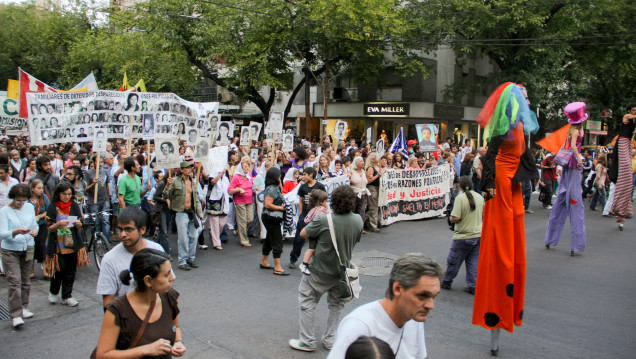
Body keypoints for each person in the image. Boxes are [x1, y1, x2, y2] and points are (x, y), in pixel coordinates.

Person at [473, 83, 539, 336]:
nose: (528, 101)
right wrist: (488, 183)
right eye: (524, 97)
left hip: (513, 182)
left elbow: (524, 156)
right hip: (500, 180)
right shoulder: (504, 125)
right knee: (501, 240)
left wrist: (534, 175)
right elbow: (490, 156)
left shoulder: (522, 126)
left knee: (515, 234)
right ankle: (498, 290)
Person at [289, 185, 363, 352]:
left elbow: (303, 234)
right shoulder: (358, 220)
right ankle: (330, 340)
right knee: (336, 305)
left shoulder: (323, 220)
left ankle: (307, 341)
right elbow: (356, 239)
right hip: (341, 272)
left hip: (319, 270)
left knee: (307, 301)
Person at [327, 254, 444, 358]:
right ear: (397, 288)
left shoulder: (414, 318)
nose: (430, 305)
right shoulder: (359, 325)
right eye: (422, 296)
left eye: (434, 296)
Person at [95, 249, 186, 358]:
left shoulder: (169, 296)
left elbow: (175, 326)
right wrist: (145, 350)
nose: (173, 278)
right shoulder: (117, 310)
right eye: (167, 275)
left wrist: (178, 342)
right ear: (148, 281)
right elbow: (102, 355)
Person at [97, 206, 165, 308]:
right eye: (120, 229)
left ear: (142, 229)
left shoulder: (156, 250)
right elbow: (108, 304)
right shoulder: (109, 260)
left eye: (128, 229)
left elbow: (166, 289)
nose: (123, 234)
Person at [545, 102, 588, 256]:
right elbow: (574, 147)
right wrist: (579, 157)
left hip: (571, 166)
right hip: (574, 164)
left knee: (565, 196)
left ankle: (551, 238)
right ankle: (573, 242)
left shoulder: (574, 130)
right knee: (574, 199)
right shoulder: (576, 131)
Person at [0, 184, 38, 328]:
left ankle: (24, 306)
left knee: (26, 280)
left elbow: (34, 224)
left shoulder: (29, 207)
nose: (21, 204)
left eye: (23, 201)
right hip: (10, 249)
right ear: (12, 198)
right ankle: (15, 314)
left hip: (28, 246)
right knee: (14, 281)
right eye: (18, 201)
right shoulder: (4, 211)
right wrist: (16, 231)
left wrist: (35, 231)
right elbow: (2, 233)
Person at [45, 182, 87, 307]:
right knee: (58, 269)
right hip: (57, 243)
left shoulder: (74, 206)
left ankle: (67, 296)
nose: (67, 196)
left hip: (71, 242)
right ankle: (53, 292)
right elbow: (49, 228)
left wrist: (79, 224)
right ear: (58, 194)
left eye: (69, 194)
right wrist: (58, 224)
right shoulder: (53, 207)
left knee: (70, 270)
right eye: (64, 194)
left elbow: (79, 221)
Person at [440, 176, 484, 294]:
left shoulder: (461, 199)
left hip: (463, 235)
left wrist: (450, 218)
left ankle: (447, 281)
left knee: (454, 260)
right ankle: (473, 285)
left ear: (460, 186)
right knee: (473, 261)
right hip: (477, 234)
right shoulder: (479, 197)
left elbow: (456, 217)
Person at [164, 161, 203, 271]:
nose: (189, 169)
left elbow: (196, 200)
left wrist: (200, 214)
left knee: (194, 236)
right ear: (181, 170)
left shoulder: (193, 182)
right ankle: (183, 261)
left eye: (190, 167)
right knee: (183, 238)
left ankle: (191, 258)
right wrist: (167, 185)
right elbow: (166, 195)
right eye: (186, 168)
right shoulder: (175, 181)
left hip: (192, 212)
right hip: (181, 213)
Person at [289, 167, 326, 268]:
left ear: (311, 175)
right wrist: (301, 213)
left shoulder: (320, 186)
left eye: (305, 174)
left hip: (317, 216)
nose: (303, 176)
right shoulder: (303, 187)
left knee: (317, 239)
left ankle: (316, 261)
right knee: (299, 238)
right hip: (305, 215)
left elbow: (324, 200)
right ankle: (293, 258)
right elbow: (300, 201)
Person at [609, 103, 636, 230]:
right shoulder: (626, 116)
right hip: (623, 143)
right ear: (629, 111)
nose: (635, 112)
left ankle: (621, 214)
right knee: (625, 167)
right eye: (634, 110)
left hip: (628, 144)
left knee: (628, 182)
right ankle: (615, 207)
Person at [259, 167, 289, 275]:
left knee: (269, 239)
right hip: (270, 217)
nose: (280, 177)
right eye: (279, 176)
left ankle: (264, 261)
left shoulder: (274, 187)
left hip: (269, 217)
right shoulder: (271, 189)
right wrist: (280, 208)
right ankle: (277, 267)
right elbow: (267, 204)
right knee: (277, 241)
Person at [297, 189, 329, 276]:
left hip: (312, 231)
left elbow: (307, 220)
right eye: (326, 201)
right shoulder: (321, 210)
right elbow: (321, 220)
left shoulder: (313, 209)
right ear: (322, 202)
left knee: (313, 248)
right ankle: (304, 263)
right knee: (312, 249)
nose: (327, 203)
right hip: (316, 233)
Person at [228, 156, 254, 247]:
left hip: (249, 200)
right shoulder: (236, 177)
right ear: (241, 168)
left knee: (250, 219)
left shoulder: (249, 176)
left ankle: (241, 230)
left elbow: (252, 185)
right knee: (242, 221)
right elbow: (230, 190)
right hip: (240, 201)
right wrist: (238, 189)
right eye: (245, 167)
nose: (247, 168)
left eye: (248, 166)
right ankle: (244, 240)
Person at [85, 155, 111, 243]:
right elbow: (85, 189)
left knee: (105, 221)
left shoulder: (105, 171)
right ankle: (95, 241)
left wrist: (108, 196)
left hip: (104, 200)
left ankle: (106, 241)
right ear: (93, 162)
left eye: (101, 162)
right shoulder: (88, 173)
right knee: (95, 223)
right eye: (98, 162)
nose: (100, 164)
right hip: (93, 201)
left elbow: (107, 185)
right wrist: (93, 183)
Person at [28, 179, 50, 277]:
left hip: (42, 225)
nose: (41, 190)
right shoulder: (27, 200)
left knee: (43, 246)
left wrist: (40, 216)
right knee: (31, 246)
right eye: (39, 188)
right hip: (30, 226)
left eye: (42, 188)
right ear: (32, 189)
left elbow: (48, 210)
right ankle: (31, 270)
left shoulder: (44, 198)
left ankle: (45, 269)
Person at [206, 167, 230, 251]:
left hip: (224, 203)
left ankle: (213, 234)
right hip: (214, 203)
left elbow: (228, 189)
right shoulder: (212, 176)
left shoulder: (226, 178)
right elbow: (213, 182)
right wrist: (220, 174)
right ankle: (216, 243)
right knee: (215, 224)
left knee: (222, 223)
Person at [349, 157, 369, 233]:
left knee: (362, 211)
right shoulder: (351, 172)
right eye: (361, 161)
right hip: (354, 194)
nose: (363, 162)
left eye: (363, 161)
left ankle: (360, 228)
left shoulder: (363, 171)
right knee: (353, 211)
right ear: (356, 163)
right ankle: (351, 228)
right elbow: (348, 181)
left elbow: (365, 181)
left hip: (363, 194)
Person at [365, 154, 383, 232]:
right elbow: (368, 181)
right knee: (373, 207)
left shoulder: (378, 167)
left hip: (379, 188)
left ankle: (366, 219)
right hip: (372, 188)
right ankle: (373, 224)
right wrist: (377, 176)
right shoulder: (370, 169)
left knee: (377, 206)